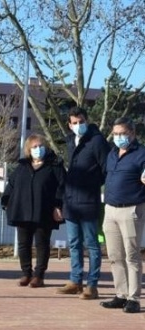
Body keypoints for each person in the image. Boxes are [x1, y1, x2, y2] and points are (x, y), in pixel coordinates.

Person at [56, 107, 110, 299]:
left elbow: (107, 170)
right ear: (69, 125)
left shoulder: (97, 141)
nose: (78, 125)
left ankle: (92, 285)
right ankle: (75, 280)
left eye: (81, 121)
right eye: (75, 123)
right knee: (74, 243)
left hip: (89, 202)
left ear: (86, 120)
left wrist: (91, 184)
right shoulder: (70, 141)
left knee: (92, 245)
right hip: (71, 202)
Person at [1, 134, 66, 287]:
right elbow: (12, 184)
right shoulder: (22, 166)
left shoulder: (55, 166)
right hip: (22, 210)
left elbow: (62, 187)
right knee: (23, 244)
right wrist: (6, 200)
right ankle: (26, 273)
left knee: (42, 244)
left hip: (44, 210)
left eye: (40, 146)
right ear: (29, 150)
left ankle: (39, 275)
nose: (38, 149)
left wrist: (58, 205)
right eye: (34, 147)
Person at [99, 117, 145, 314]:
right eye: (115, 134)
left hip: (131, 209)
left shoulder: (142, 154)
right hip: (110, 210)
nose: (118, 137)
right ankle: (121, 294)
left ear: (132, 134)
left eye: (122, 134)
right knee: (115, 255)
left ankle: (134, 298)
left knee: (132, 255)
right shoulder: (112, 154)